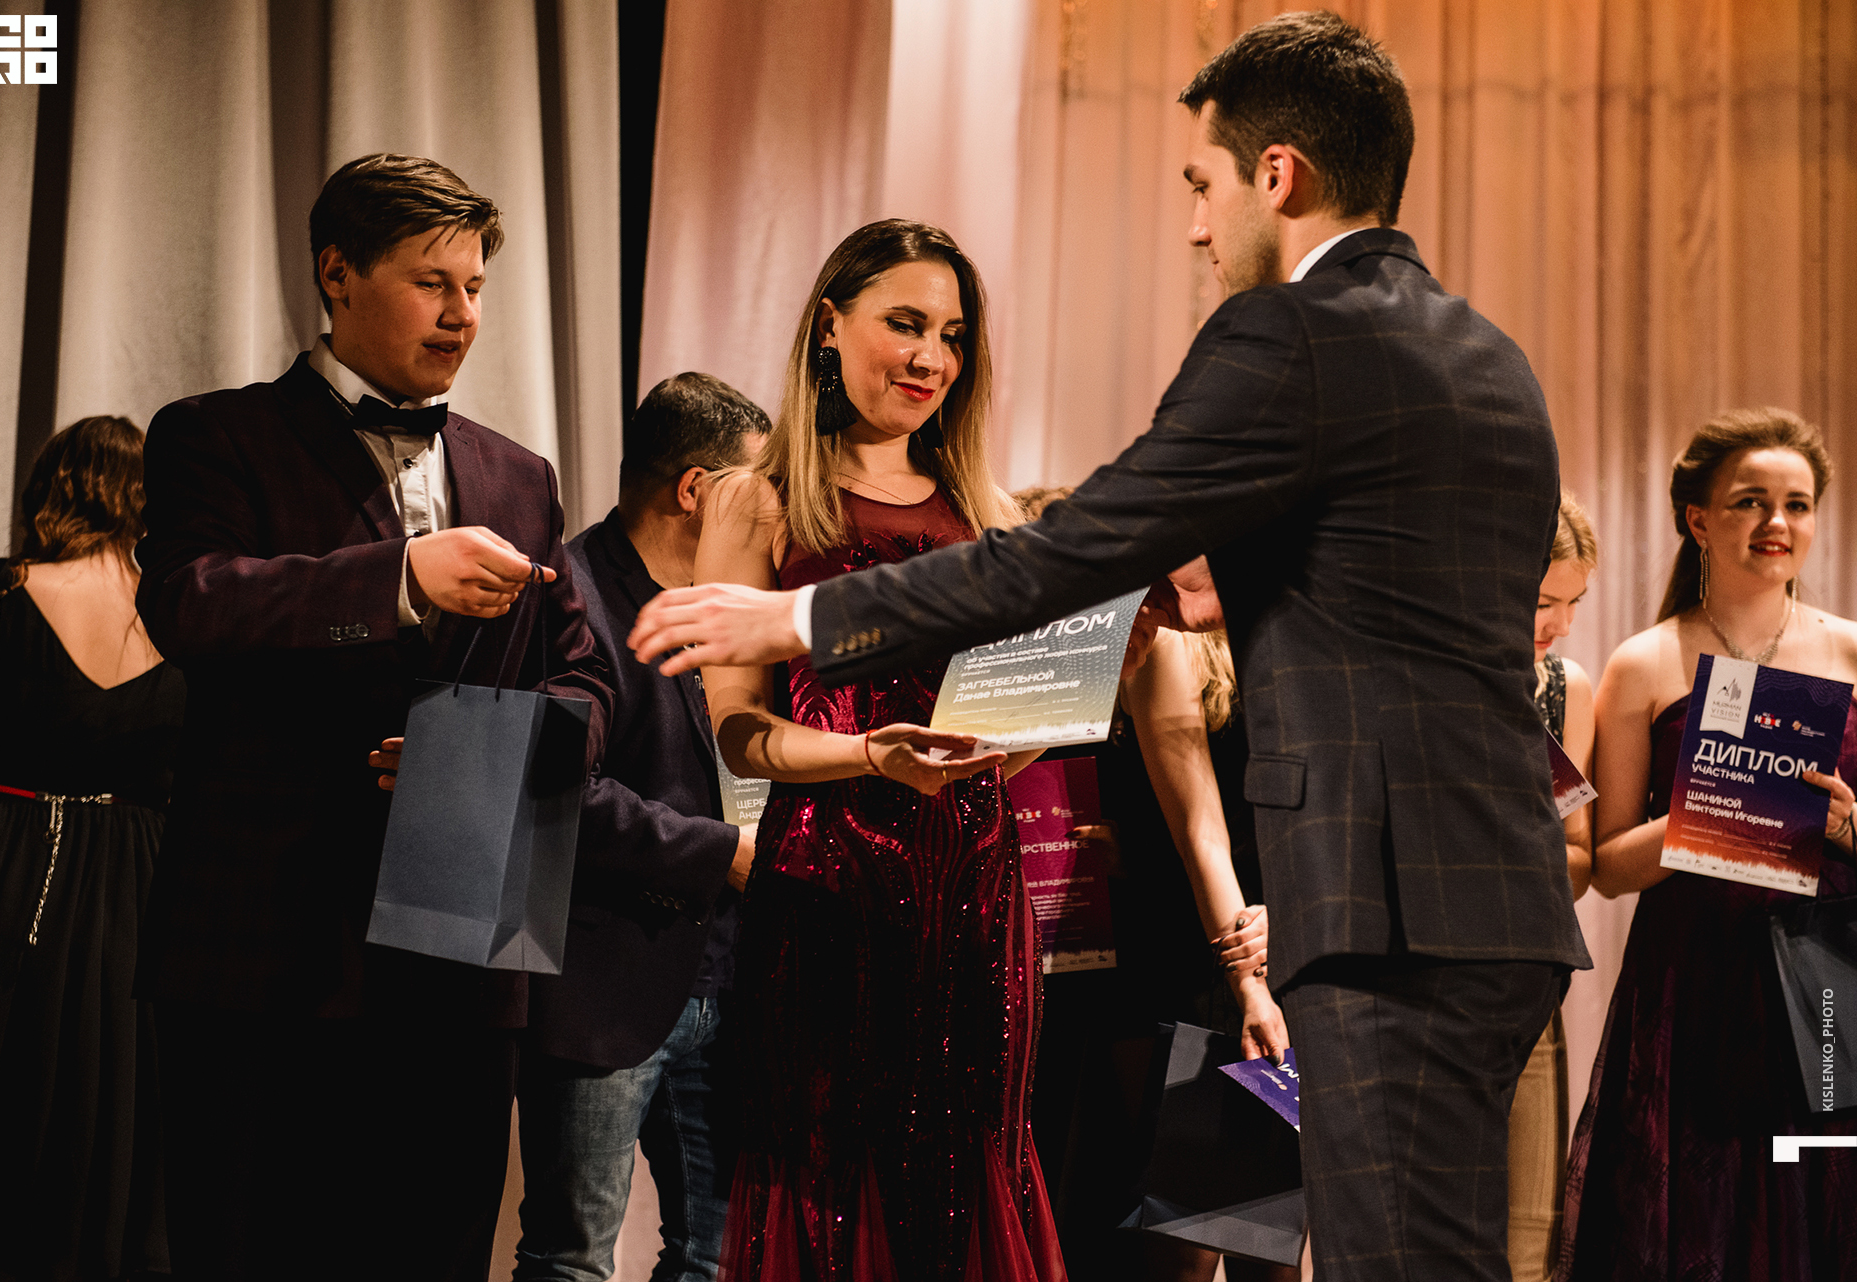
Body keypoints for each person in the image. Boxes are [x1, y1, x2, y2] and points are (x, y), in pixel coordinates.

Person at [629, 14, 1591, 1280]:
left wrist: (800, 617)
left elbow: (1076, 547)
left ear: (1278, 174)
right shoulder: (1492, 358)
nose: (1197, 225)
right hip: (1500, 899)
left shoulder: (1289, 331)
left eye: (1204, 183)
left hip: (1381, 903)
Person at [133, 153, 613, 1282]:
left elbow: (586, 678)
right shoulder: (213, 433)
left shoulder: (522, 476)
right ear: (337, 274)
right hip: (268, 941)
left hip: (468, 932)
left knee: (437, 1247)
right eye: (431, 283)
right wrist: (397, 577)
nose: (463, 314)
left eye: (475, 287)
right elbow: (189, 604)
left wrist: (498, 756)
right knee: (252, 1247)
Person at [694, 218, 1065, 1280]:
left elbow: (1009, 728)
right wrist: (869, 756)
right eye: (906, 323)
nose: (930, 358)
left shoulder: (989, 512)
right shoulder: (757, 499)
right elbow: (738, 731)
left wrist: (1043, 714)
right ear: (828, 324)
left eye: (951, 335)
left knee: (973, 1158)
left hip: (978, 893)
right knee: (828, 1164)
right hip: (828, 890)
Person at [1560, 408, 1857, 1279]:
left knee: (1820, 1196)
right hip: (1692, 983)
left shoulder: (1851, 653)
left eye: (1797, 505)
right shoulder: (1644, 662)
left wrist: (1844, 826)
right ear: (1698, 518)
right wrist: (1714, 812)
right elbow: (1607, 867)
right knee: (1697, 1220)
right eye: (1750, 502)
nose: (1777, 523)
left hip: (1828, 981)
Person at [510, 372, 768, 1282]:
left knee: (719, 1256)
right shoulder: (568, 596)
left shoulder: (744, 607)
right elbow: (554, 790)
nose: (778, 511)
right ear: (695, 490)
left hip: (729, 982)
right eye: (761, 486)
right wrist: (722, 853)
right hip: (601, 984)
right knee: (572, 1260)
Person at [0, 417, 184, 1281]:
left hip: (1, 870)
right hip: (138, 888)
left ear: (53, 488)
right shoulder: (181, 617)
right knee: (108, 1112)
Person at [1017, 488, 1286, 1282]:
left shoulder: (1294, 630)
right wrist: (1248, 978)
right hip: (1199, 951)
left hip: (1289, 937)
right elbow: (1201, 827)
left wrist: (1297, 916)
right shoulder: (1164, 644)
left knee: (1272, 1237)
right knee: (1189, 1237)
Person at [1506, 492, 1597, 1282]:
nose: (1559, 624)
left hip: (1527, 976)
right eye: (1543, 602)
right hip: (1415, 981)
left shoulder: (1567, 687)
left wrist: (1517, 844)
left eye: (1575, 603)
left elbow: (1581, 860)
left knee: (1530, 1233)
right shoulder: (1424, 678)